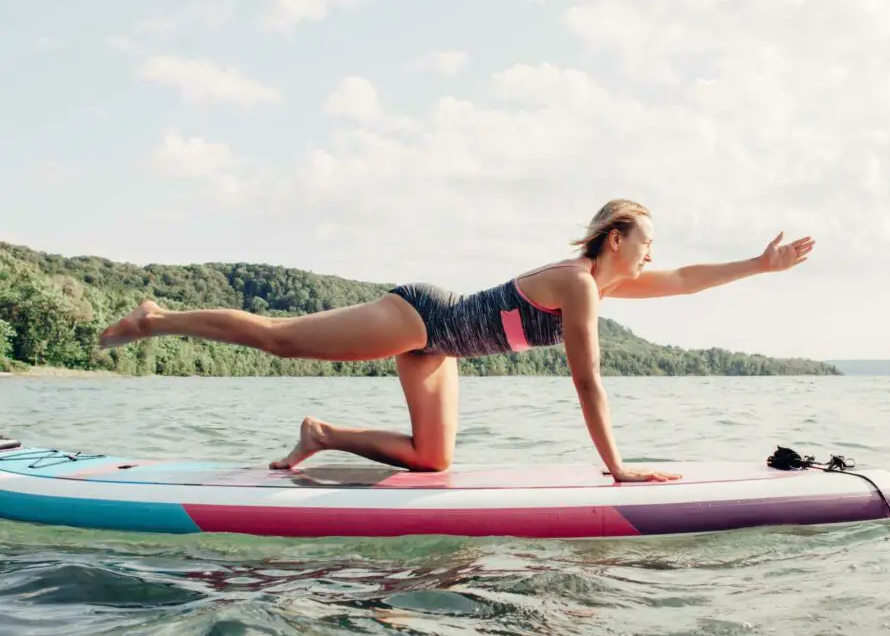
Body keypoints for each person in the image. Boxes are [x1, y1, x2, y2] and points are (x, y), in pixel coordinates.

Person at [98, 199, 815, 483]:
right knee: (284, 340)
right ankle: (154, 318)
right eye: (648, 241)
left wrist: (760, 264)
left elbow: (687, 278)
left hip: (444, 351)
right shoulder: (579, 284)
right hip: (423, 318)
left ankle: (320, 432)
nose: (655, 255)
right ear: (616, 235)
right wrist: (618, 467)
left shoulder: (609, 285)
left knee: (432, 458)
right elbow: (587, 380)